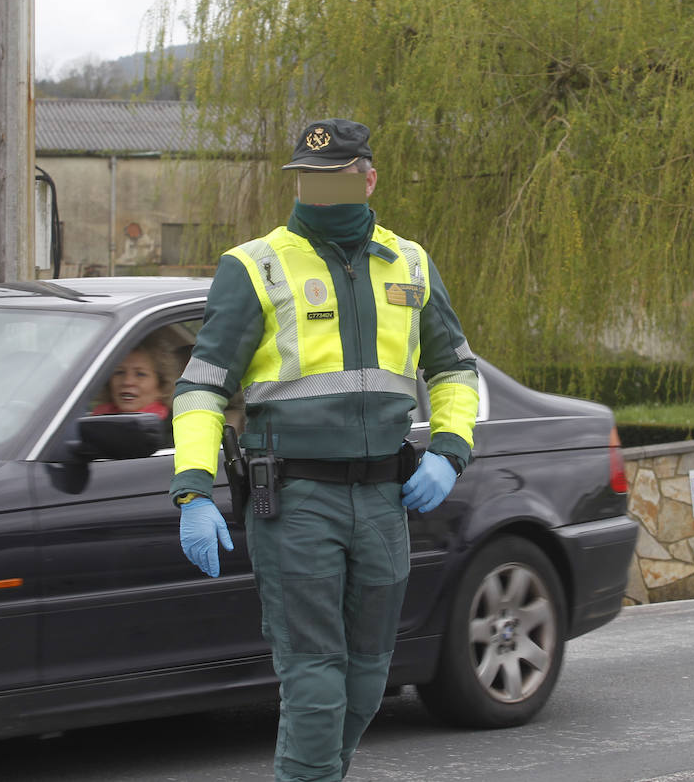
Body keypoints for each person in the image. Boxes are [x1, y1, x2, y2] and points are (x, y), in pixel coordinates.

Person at [170, 118, 479, 782]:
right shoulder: (255, 266)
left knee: (367, 681)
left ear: (367, 178)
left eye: (333, 177)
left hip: (382, 500)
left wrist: (449, 452)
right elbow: (199, 389)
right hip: (297, 501)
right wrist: (194, 490)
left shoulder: (411, 263)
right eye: (307, 178)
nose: (318, 190)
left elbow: (454, 371)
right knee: (315, 682)